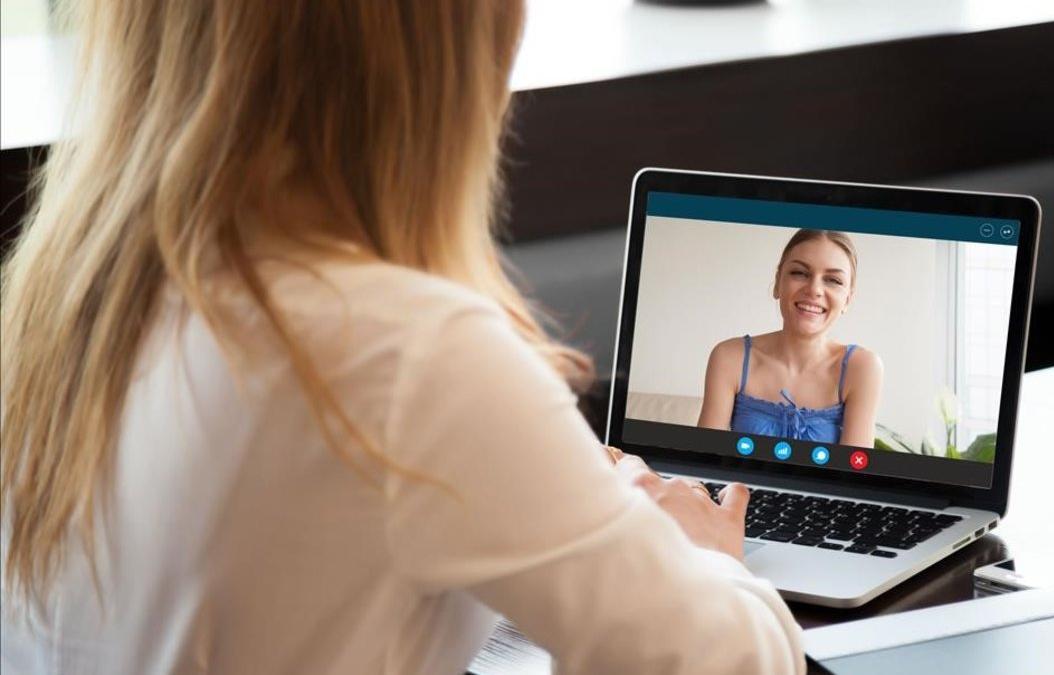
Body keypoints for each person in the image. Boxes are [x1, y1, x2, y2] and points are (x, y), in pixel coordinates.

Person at [0, 2, 805, 673]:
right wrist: (701, 557)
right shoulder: (409, 352)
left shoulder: (65, 306)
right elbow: (720, 662)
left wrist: (542, 504)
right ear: (448, 56)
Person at [698, 229, 883, 447]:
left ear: (848, 299)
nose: (814, 289)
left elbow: (854, 476)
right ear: (778, 283)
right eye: (800, 273)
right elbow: (706, 460)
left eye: (833, 280)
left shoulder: (862, 367)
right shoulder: (730, 357)